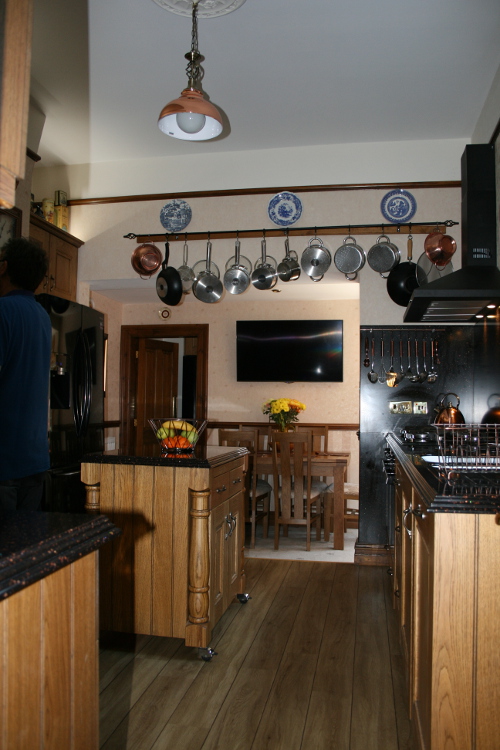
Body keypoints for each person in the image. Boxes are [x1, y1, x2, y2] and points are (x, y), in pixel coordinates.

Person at [0, 237, 52, 510]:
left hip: (5, 459)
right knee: (25, 548)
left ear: (3, 267)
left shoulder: (4, 311)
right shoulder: (41, 315)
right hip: (34, 458)